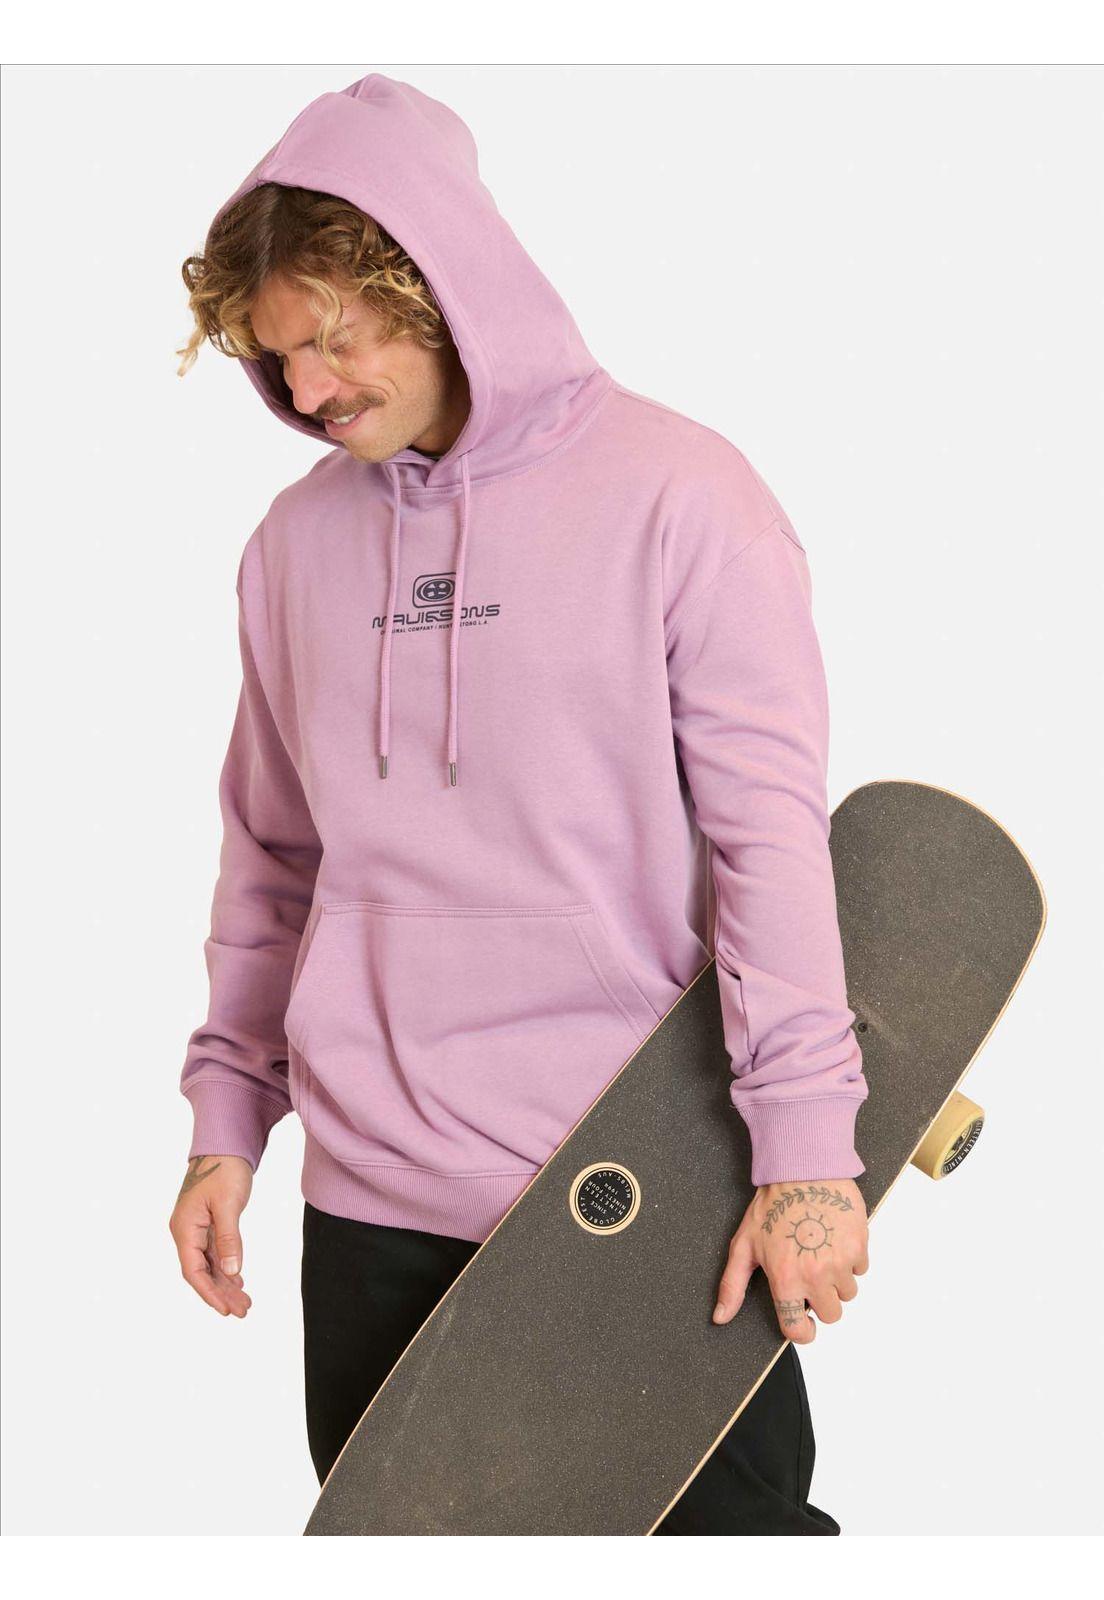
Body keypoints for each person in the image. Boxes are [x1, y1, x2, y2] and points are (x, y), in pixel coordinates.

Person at [170, 72, 870, 1535]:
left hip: (632, 1173)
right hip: (369, 1199)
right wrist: (229, 1118)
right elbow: (272, 861)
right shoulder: (290, 548)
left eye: (333, 339)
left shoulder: (682, 498)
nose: (307, 392)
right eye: (279, 356)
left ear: (437, 286)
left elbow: (767, 843)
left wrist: (809, 1150)